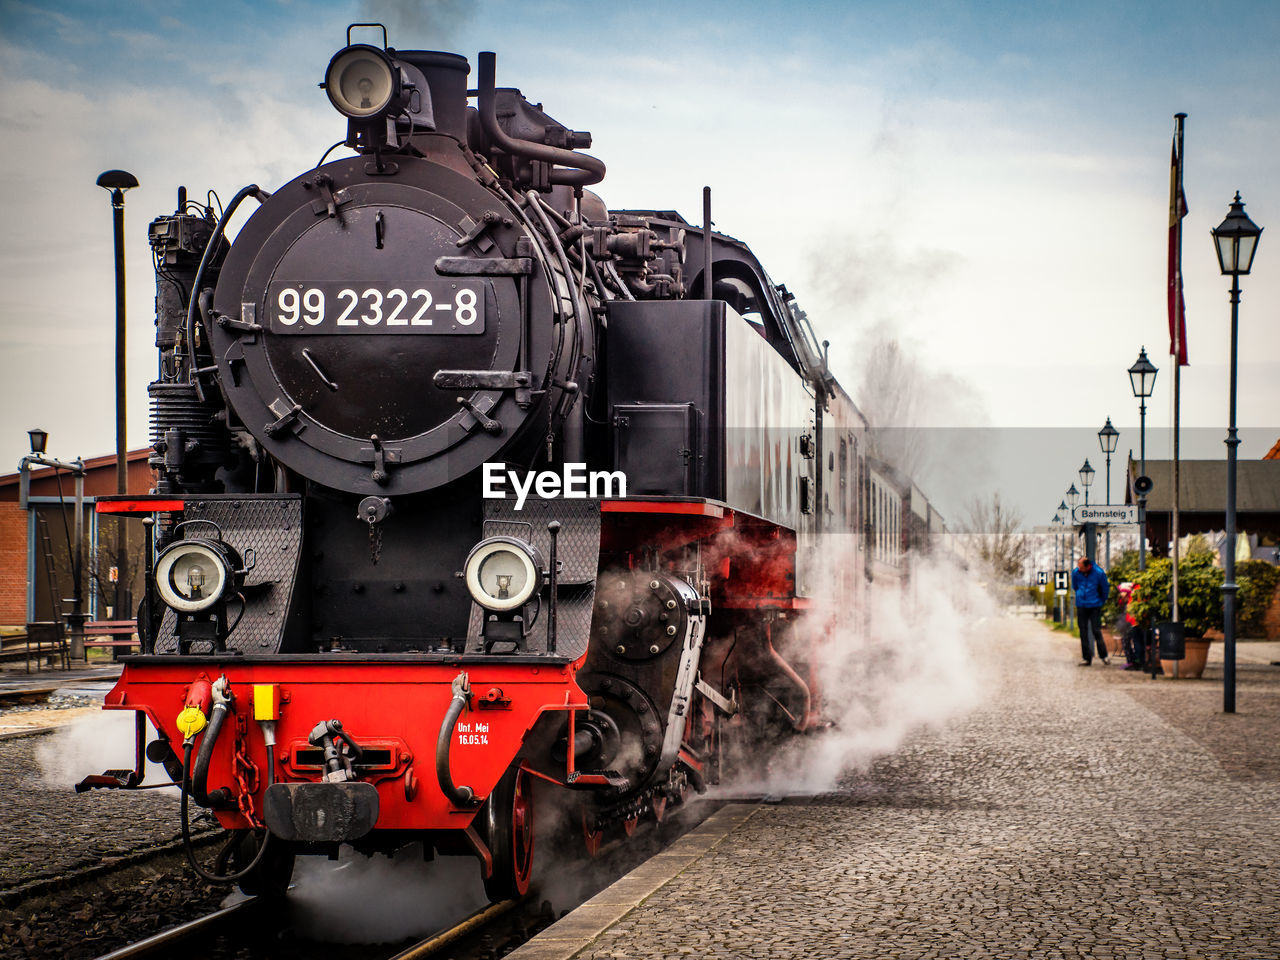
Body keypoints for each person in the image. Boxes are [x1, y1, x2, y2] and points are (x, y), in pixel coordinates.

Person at [1071, 556, 1110, 666]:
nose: (1079, 569)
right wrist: (1080, 595)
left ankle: (1104, 655)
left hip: (1094, 604)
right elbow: (1075, 586)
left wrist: (1100, 601)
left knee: (1096, 630)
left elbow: (1105, 588)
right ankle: (1086, 658)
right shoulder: (1076, 573)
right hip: (1081, 604)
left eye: (1081, 567)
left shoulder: (1099, 573)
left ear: (1087, 566)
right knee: (1083, 631)